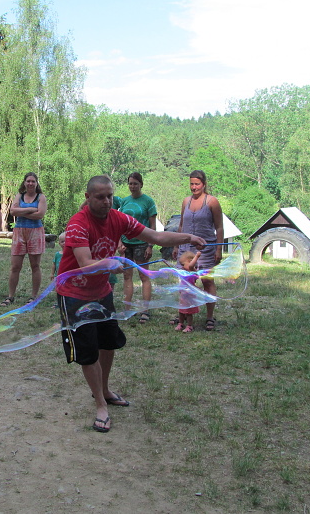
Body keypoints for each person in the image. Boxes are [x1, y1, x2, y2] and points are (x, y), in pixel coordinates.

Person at [56, 175, 205, 433]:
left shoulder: (119, 218)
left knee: (108, 343)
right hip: (74, 294)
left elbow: (155, 236)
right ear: (88, 197)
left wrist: (188, 237)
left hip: (101, 292)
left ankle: (104, 389)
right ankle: (100, 405)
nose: (106, 201)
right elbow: (85, 263)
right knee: (88, 352)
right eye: (100, 197)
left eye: (110, 196)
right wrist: (109, 263)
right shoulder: (78, 224)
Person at [174, 170, 223, 331]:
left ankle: (209, 317)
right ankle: (183, 315)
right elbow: (181, 225)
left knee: (207, 281)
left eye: (197, 184)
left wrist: (219, 249)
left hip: (206, 248)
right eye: (191, 184)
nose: (194, 187)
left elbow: (219, 227)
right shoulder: (186, 201)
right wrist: (176, 245)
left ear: (204, 184)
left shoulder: (212, 202)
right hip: (185, 248)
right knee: (185, 283)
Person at [118, 172, 158, 324]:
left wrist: (150, 245)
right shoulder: (124, 202)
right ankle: (127, 309)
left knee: (143, 276)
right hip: (126, 243)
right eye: (130, 183)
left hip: (142, 243)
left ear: (141, 184)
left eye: (135, 183)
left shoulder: (148, 201)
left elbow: (153, 226)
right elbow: (119, 224)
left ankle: (145, 310)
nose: (132, 186)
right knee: (127, 276)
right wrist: (119, 242)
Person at [2, 172, 48, 306]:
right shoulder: (19, 196)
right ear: (24, 182)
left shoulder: (41, 197)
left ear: (36, 183)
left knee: (35, 266)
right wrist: (31, 209)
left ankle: (34, 296)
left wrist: (21, 211)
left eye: (33, 181)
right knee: (15, 266)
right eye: (28, 181)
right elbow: (12, 211)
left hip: (36, 232)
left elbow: (40, 215)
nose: (30, 183)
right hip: (19, 232)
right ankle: (10, 296)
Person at [174, 250, 201, 333]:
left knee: (189, 312)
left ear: (190, 261)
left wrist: (197, 256)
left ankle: (189, 326)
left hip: (190, 295)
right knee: (181, 311)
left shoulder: (193, 271)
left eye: (183, 264)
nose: (181, 267)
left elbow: (191, 265)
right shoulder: (184, 271)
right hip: (183, 294)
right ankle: (181, 323)